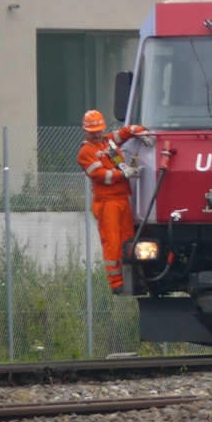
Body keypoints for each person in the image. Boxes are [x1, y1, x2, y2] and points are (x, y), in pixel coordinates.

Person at [77, 109, 155, 295]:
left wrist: (139, 130)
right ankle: (116, 283)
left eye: (99, 129)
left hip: (121, 199)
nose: (97, 133)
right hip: (107, 203)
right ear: (86, 130)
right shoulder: (86, 152)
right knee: (112, 242)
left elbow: (124, 133)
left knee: (128, 239)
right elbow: (99, 176)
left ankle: (132, 278)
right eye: (93, 130)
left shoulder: (108, 141)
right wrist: (124, 173)